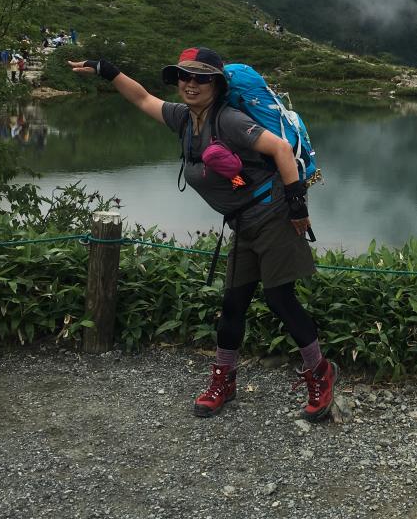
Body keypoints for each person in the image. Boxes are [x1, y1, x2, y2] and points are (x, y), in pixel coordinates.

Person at [68, 46, 338, 422]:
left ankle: (320, 373)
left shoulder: (228, 120)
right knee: (233, 304)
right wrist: (106, 69)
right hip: (243, 223)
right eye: (185, 76)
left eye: (201, 78)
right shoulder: (183, 118)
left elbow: (280, 149)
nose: (191, 84)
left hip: (274, 216)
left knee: (280, 299)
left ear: (217, 84)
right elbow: (143, 99)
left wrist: (297, 207)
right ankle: (224, 380)